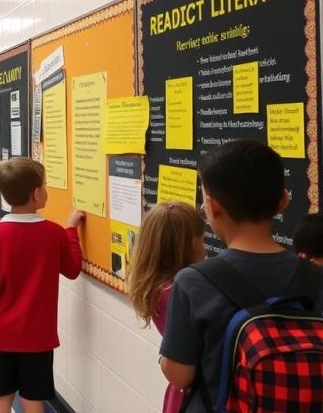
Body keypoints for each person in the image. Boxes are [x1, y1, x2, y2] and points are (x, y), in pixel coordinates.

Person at [159, 140, 323, 412]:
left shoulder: (192, 281)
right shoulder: (315, 276)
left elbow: (180, 375)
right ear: (283, 201)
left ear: (212, 207)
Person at [0, 157, 84, 413]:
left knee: (1, 396)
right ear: (36, 193)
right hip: (38, 337)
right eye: (45, 185)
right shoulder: (54, 233)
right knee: (33, 398)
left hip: (1, 335)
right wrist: (71, 230)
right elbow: (72, 269)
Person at [126, 203, 204, 413]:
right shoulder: (177, 293)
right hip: (193, 394)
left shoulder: (156, 287)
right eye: (202, 238)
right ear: (190, 244)